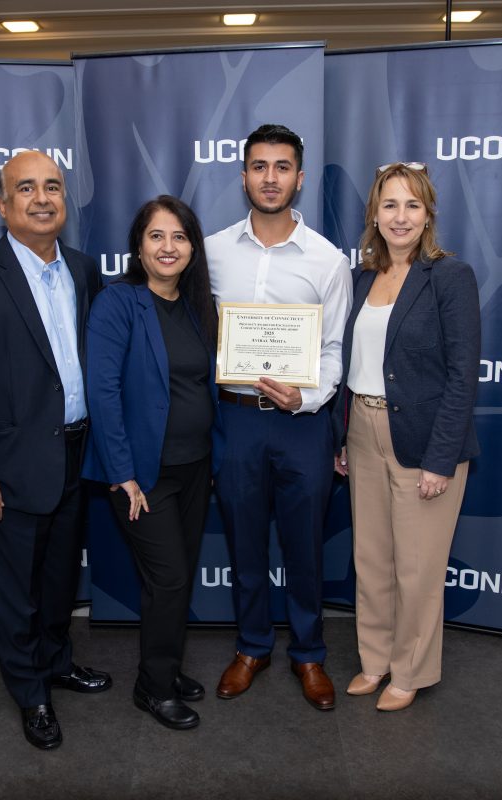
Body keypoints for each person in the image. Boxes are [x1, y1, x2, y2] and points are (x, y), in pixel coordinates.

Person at [0, 150, 110, 751]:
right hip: (8, 468)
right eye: (26, 188)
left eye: (53, 187)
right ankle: (30, 691)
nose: (42, 198)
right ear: (3, 205)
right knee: (14, 589)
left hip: (76, 454)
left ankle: (57, 660)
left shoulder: (84, 271)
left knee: (59, 579)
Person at [205, 124, 352, 711]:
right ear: (243, 175)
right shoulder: (210, 251)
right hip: (235, 419)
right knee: (244, 543)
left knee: (305, 548)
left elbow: (336, 350)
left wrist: (307, 399)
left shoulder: (327, 259)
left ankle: (310, 654)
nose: (271, 178)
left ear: (300, 176)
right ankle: (251, 646)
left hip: (303, 424)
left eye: (282, 166)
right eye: (259, 166)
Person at [331, 161, 481, 711]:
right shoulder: (361, 278)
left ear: (428, 214)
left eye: (411, 205)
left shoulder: (448, 276)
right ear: (374, 212)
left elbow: (464, 375)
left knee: (416, 568)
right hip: (363, 431)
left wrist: (442, 459)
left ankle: (410, 671)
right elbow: (353, 364)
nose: (400, 216)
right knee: (370, 559)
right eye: (389, 204)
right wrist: (343, 437)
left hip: (425, 439)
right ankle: (374, 661)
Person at [82, 195, 220, 730]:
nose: (169, 247)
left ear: (192, 247)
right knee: (168, 579)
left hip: (194, 466)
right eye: (156, 236)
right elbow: (104, 392)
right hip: (141, 475)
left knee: (175, 579)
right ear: (138, 246)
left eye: (180, 237)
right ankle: (155, 688)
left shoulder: (194, 304)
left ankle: (163, 666)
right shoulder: (118, 304)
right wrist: (122, 475)